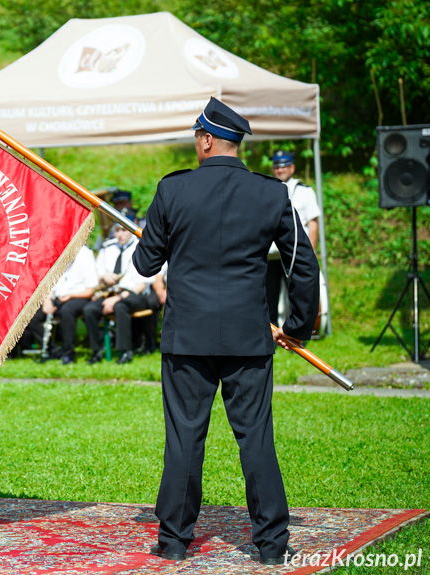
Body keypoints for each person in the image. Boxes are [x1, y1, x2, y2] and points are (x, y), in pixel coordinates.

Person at [133, 98, 319, 564]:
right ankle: (272, 544)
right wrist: (298, 326)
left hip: (187, 338)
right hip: (247, 336)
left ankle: (174, 541)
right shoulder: (271, 193)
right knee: (255, 437)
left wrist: (156, 236)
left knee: (184, 438)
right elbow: (303, 266)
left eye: (196, 137)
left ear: (206, 139)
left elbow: (145, 264)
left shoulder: (173, 189)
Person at [84, 223, 165, 364]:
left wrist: (117, 299)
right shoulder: (107, 248)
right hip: (111, 293)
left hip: (136, 295)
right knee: (89, 309)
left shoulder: (141, 248)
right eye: (117, 230)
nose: (120, 234)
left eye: (124, 230)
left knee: (120, 307)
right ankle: (96, 350)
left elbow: (141, 285)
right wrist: (104, 277)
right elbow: (97, 274)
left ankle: (125, 351)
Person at [266, 149, 321, 324]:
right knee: (269, 299)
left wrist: (309, 254)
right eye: (276, 166)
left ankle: (296, 333)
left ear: (292, 168)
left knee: (297, 297)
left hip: (293, 255)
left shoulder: (305, 191)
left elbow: (313, 223)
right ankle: (271, 334)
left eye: (284, 166)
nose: (280, 170)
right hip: (271, 257)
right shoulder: (268, 189)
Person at [27, 245, 99, 364]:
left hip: (79, 296)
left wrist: (71, 296)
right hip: (57, 297)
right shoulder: (56, 252)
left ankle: (68, 353)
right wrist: (47, 300)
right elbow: (48, 282)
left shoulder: (86, 254)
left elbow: (90, 290)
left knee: (66, 311)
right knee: (31, 315)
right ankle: (52, 350)